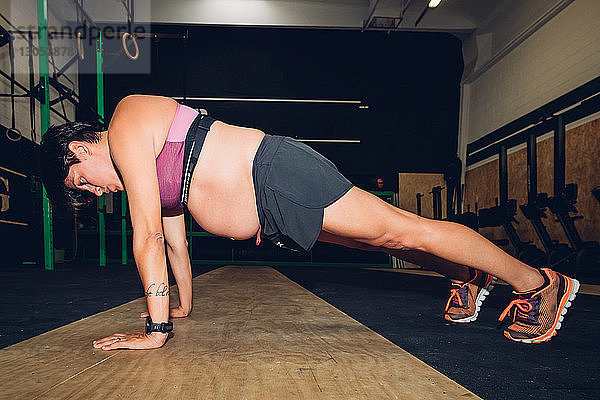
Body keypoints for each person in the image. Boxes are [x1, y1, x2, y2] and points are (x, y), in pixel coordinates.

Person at [39, 95, 579, 350]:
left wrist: (157, 330)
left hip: (277, 174)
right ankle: (462, 275)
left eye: (82, 180)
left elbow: (147, 236)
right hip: (272, 209)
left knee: (401, 228)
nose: (92, 191)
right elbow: (174, 243)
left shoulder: (127, 121)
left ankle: (539, 283)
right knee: (378, 243)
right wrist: (180, 306)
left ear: (80, 146)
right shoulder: (152, 172)